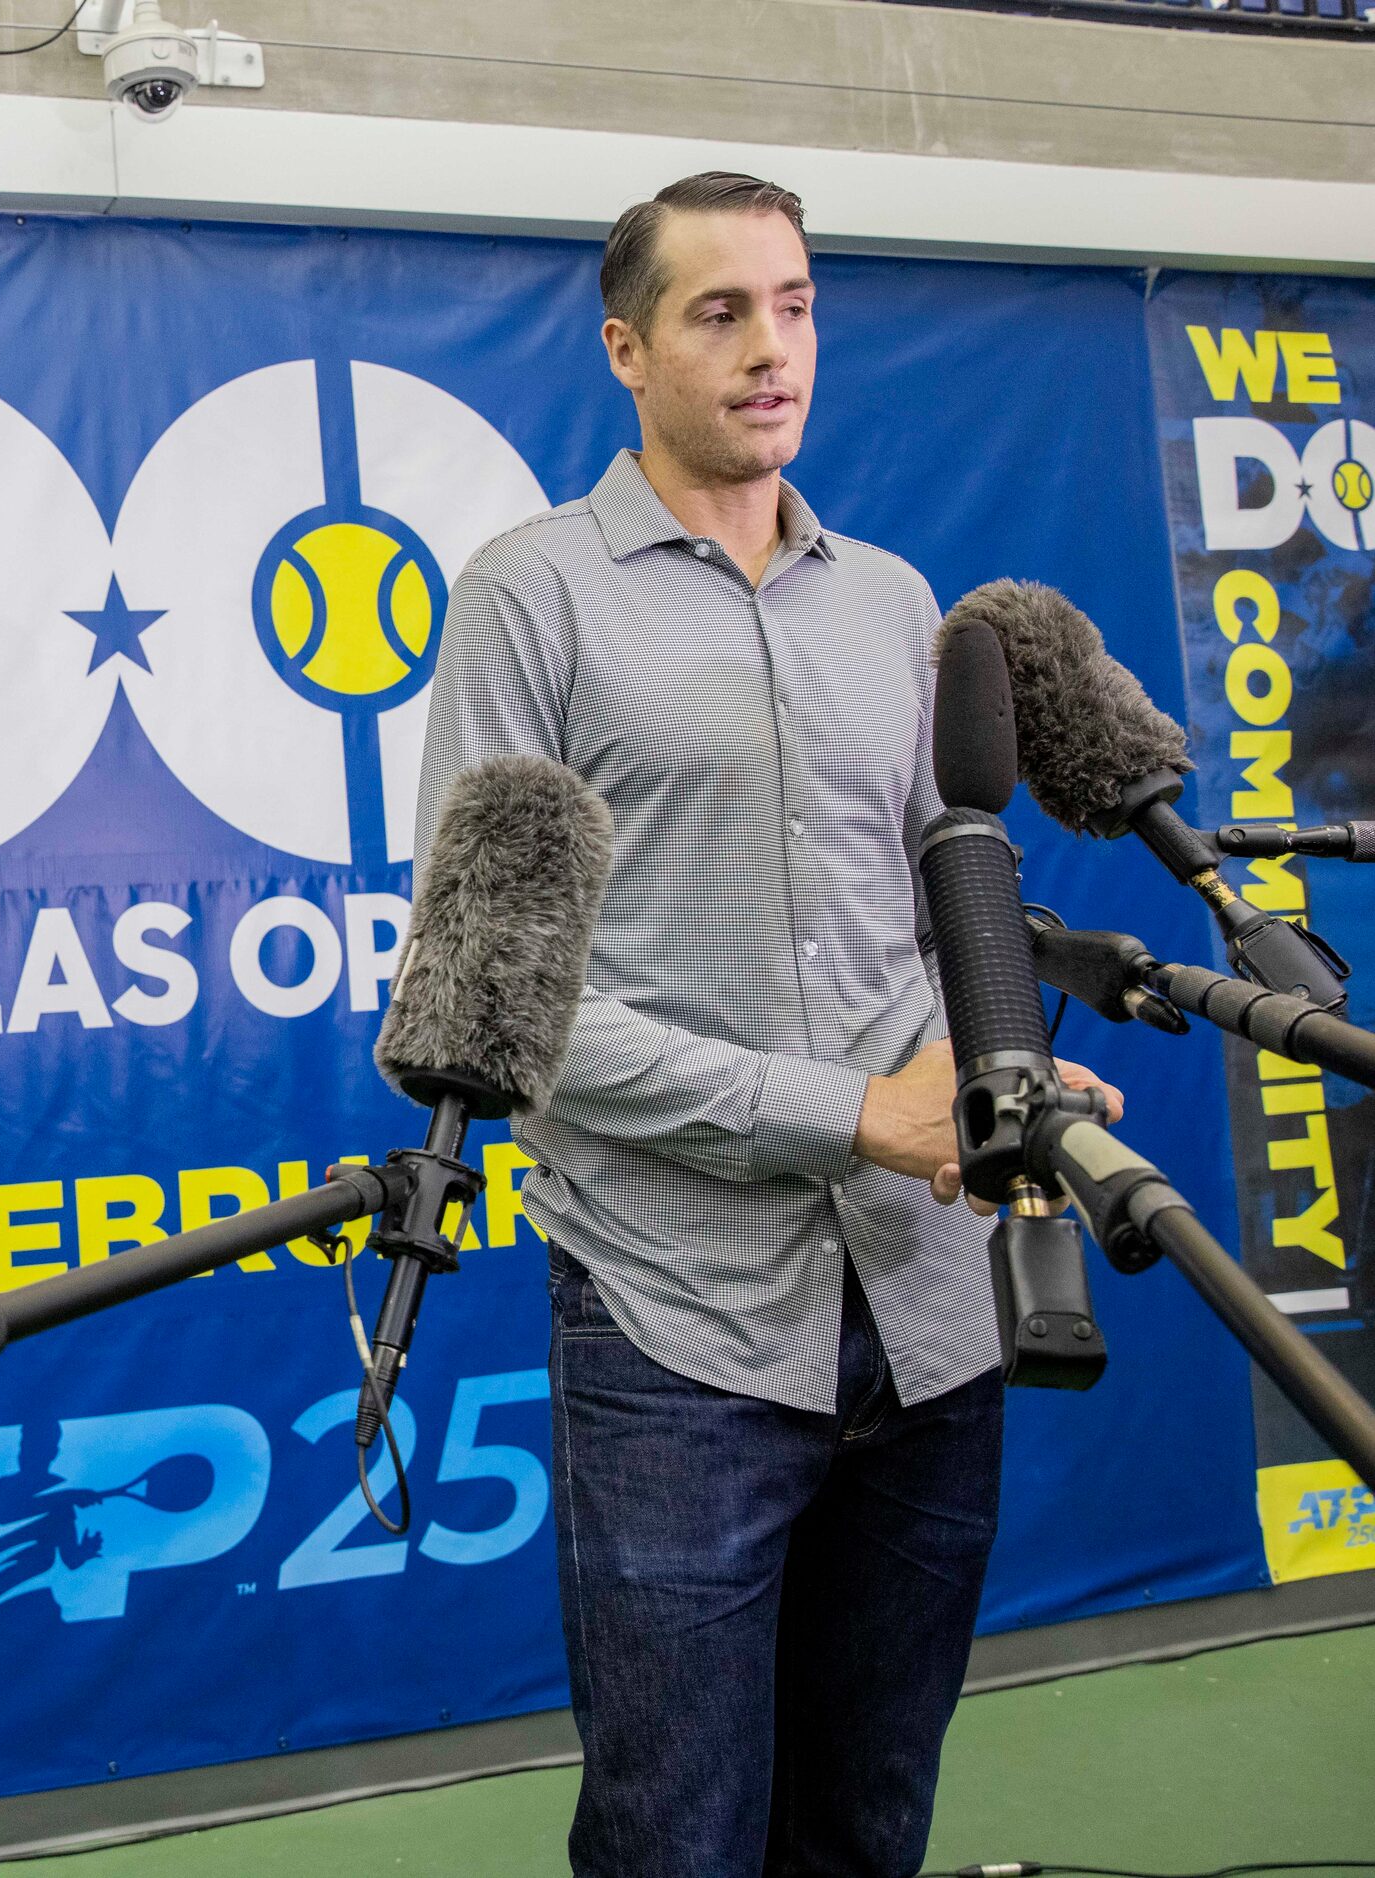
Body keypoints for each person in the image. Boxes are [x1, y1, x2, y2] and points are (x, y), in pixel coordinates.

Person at [416, 172, 1124, 1876]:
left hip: (936, 1312)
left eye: (796, 304)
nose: (771, 347)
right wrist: (856, 1110)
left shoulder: (890, 599)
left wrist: (1004, 1058)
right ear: (627, 346)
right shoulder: (532, 596)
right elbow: (509, 1011)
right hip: (682, 1332)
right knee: (679, 1838)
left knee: (869, 1820)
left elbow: (939, 903)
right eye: (720, 312)